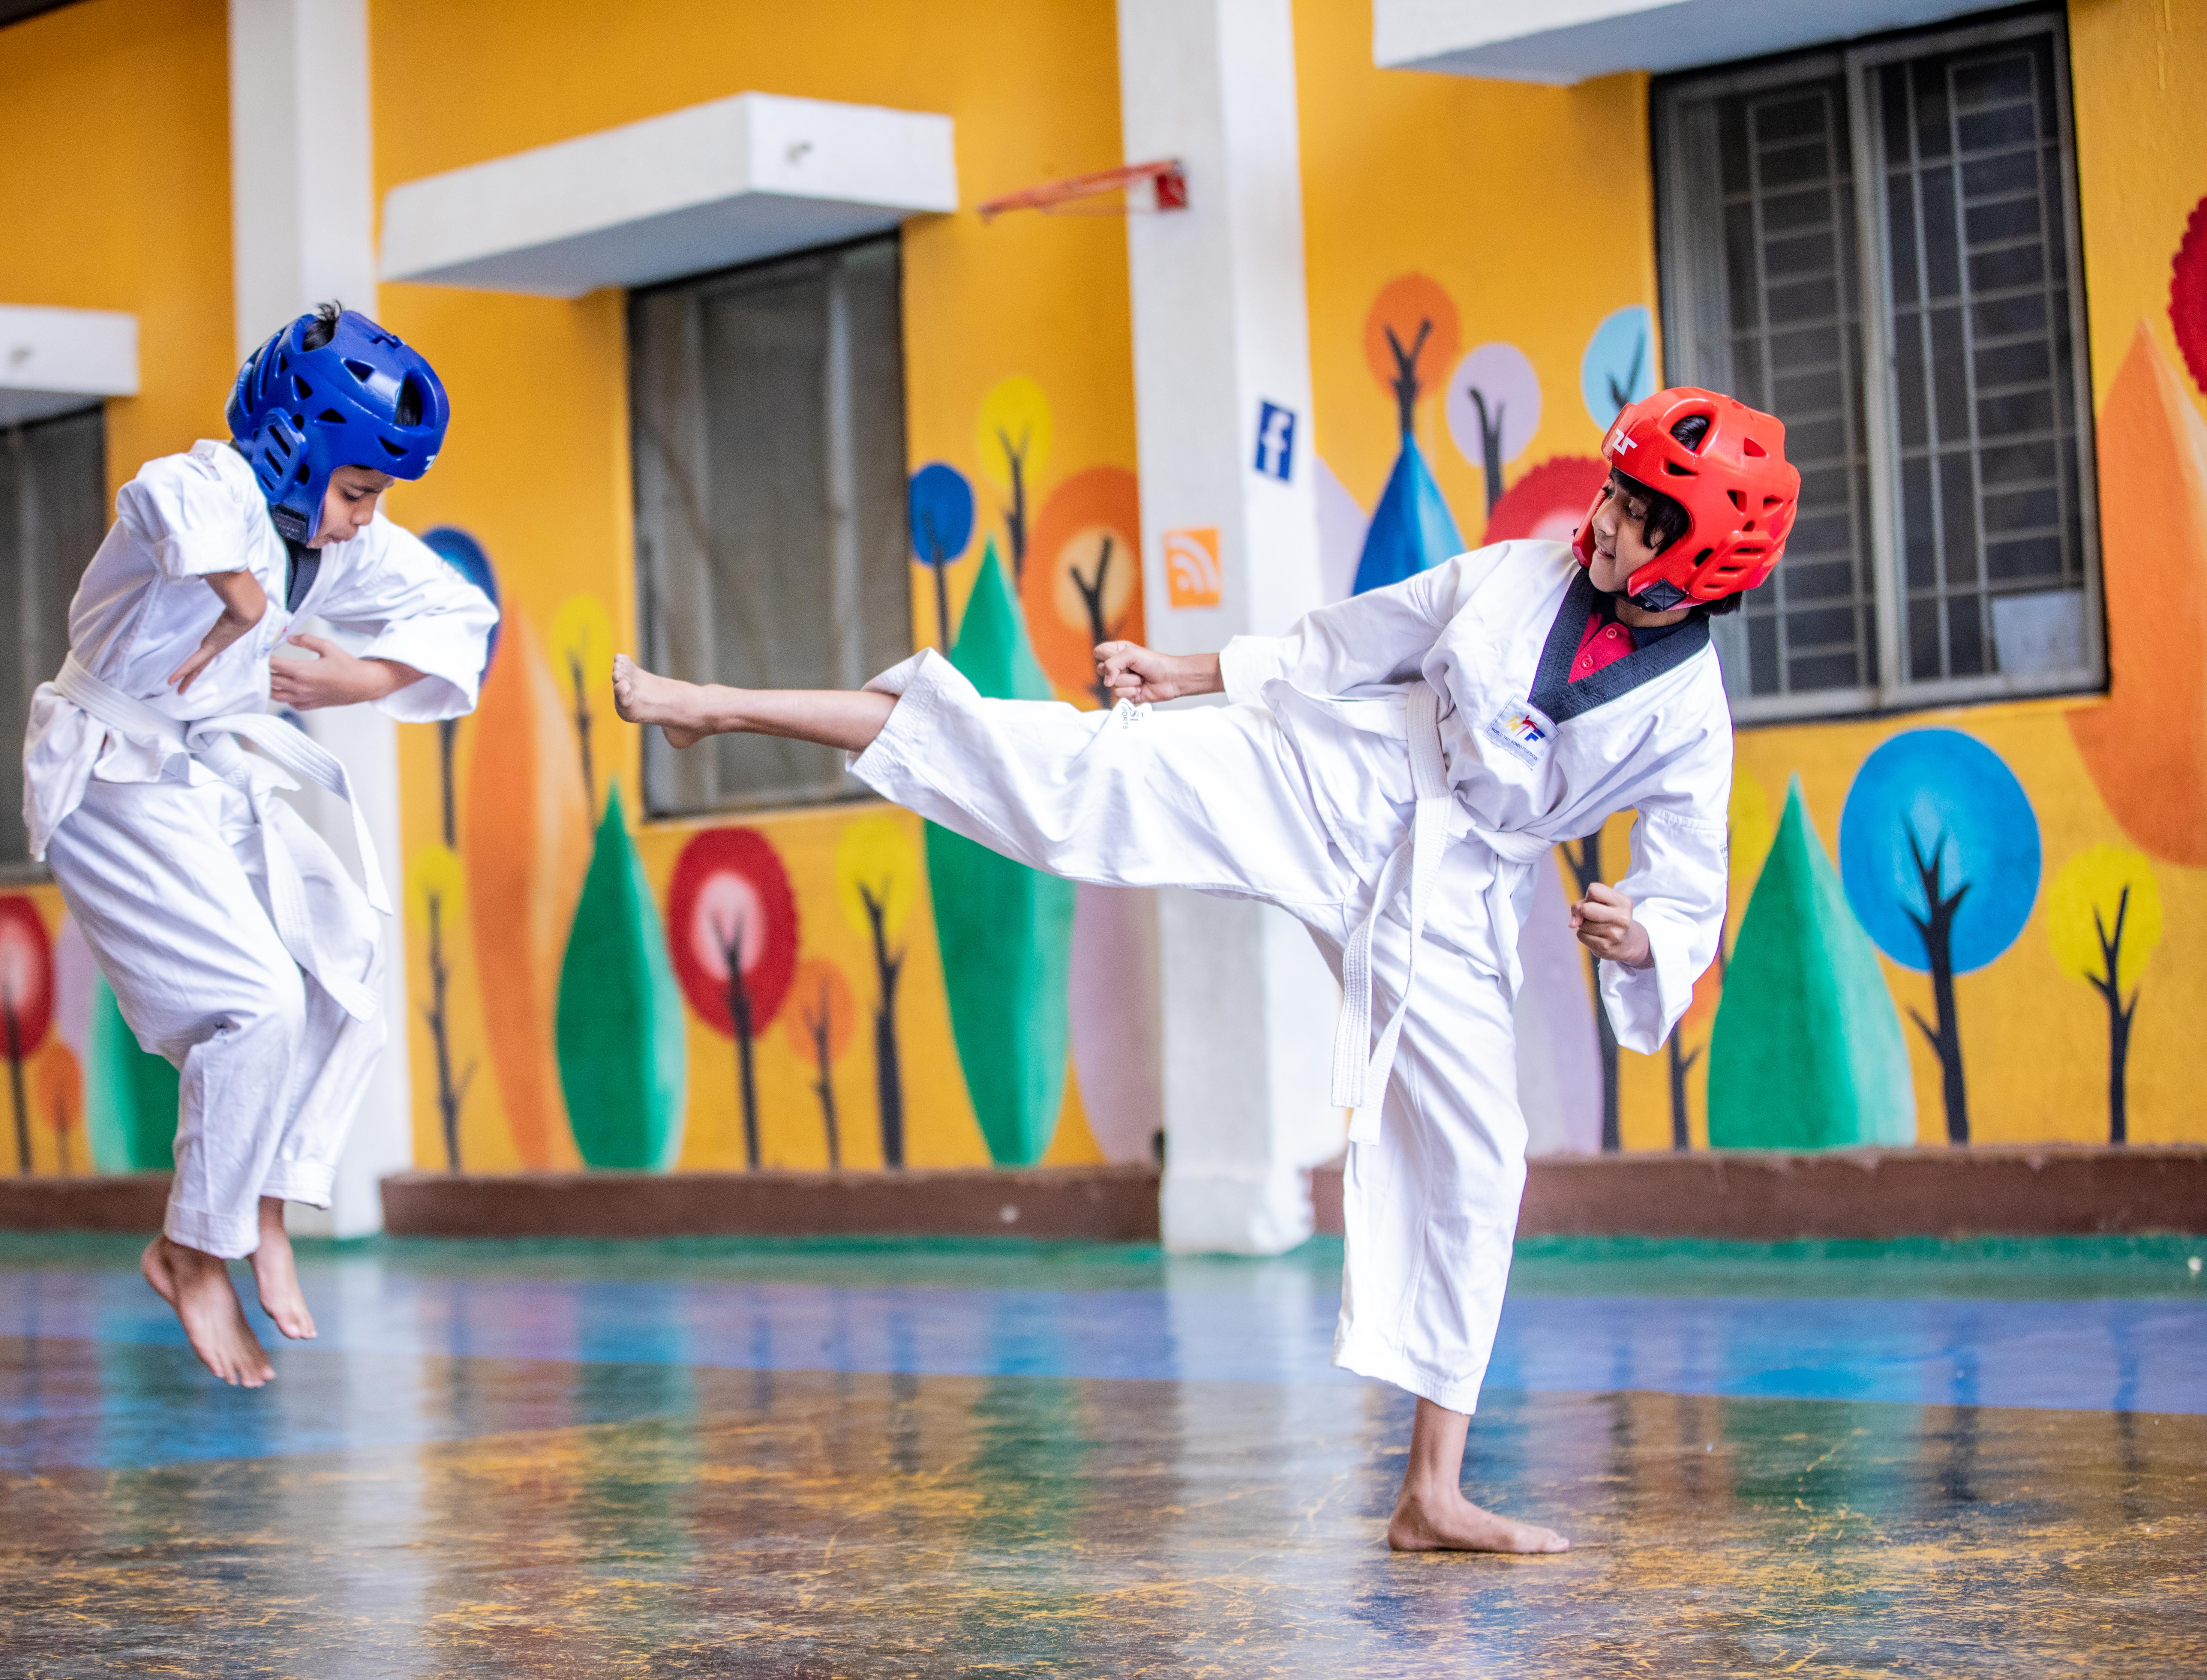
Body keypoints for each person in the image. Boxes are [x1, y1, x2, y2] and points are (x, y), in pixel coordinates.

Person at [613, 387, 1799, 1551]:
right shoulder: (1519, 571)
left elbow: (1688, 878)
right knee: (1077, 778)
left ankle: (1431, 1493)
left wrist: (1642, 932)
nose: (1602, 519)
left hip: (1449, 893)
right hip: (1338, 773)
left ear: (1698, 555)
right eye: (1612, 491)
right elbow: (1360, 637)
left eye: (1640, 513)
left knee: (1485, 1164)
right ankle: (719, 710)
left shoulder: (1689, 717)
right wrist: (1193, 671)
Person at [23, 303, 497, 1388]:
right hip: (111, 774)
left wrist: (358, 679)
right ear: (297, 444)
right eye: (357, 489)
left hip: (215, 758)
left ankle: (264, 1203)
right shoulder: (222, 487)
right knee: (256, 1004)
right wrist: (241, 601)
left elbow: (460, 618)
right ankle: (191, 1252)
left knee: (347, 954)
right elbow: (158, 498)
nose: (361, 519)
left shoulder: (337, 544)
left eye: (375, 499)